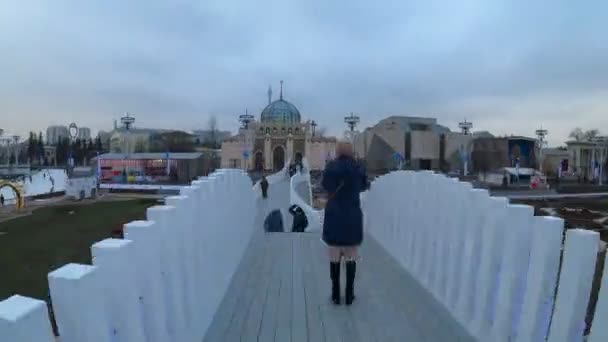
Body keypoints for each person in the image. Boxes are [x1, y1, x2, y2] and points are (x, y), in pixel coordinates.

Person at [322, 141, 368, 305]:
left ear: (337, 152)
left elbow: (325, 186)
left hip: (334, 218)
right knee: (351, 258)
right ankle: (349, 295)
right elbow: (364, 186)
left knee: (334, 259)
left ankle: (335, 294)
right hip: (352, 219)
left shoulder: (331, 167)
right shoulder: (358, 168)